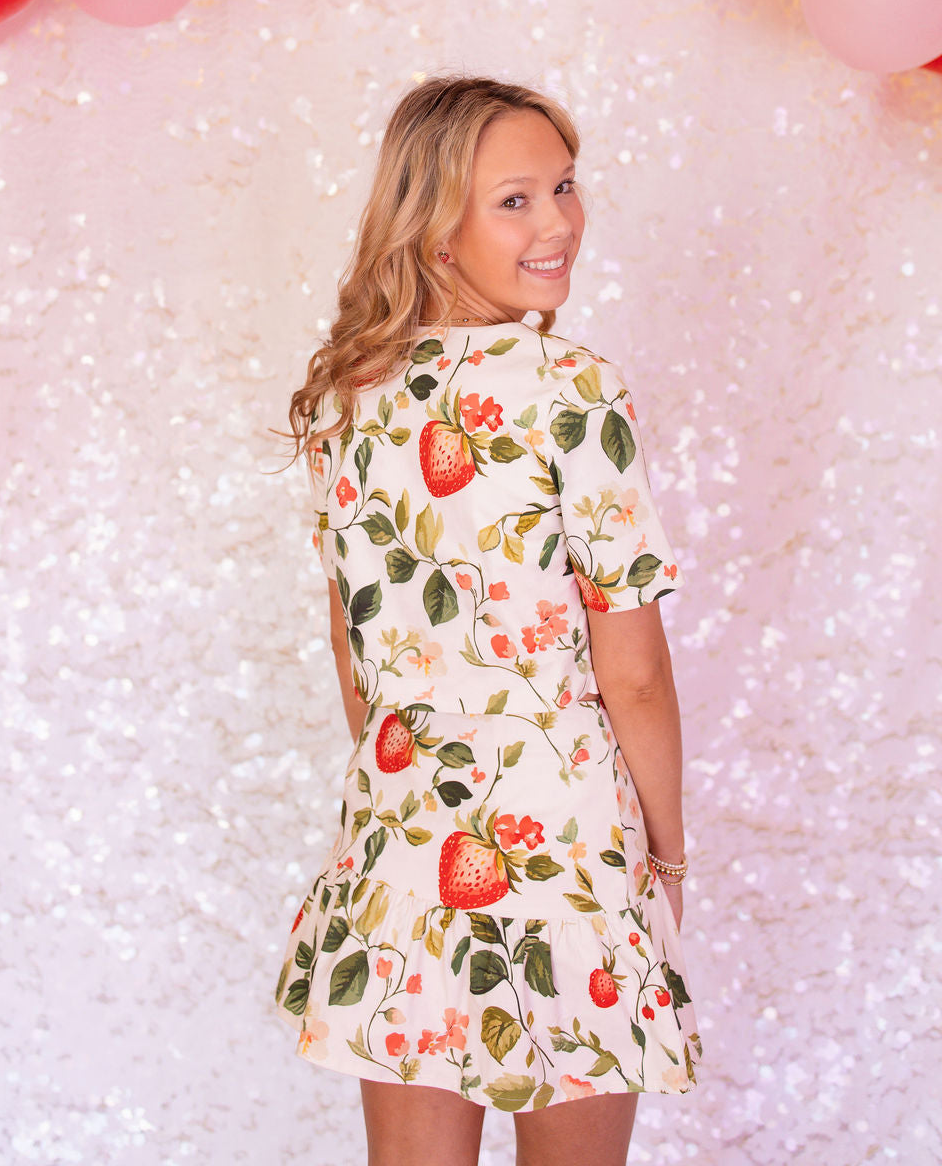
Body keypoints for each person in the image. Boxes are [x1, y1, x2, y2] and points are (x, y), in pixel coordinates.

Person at [274, 76, 701, 1166]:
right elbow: (634, 674)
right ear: (435, 229)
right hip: (564, 839)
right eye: (515, 200)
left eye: (564, 186)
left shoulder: (346, 397)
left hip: (404, 830)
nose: (558, 222)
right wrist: (666, 853)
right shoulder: (573, 390)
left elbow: (353, 653)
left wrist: (408, 787)